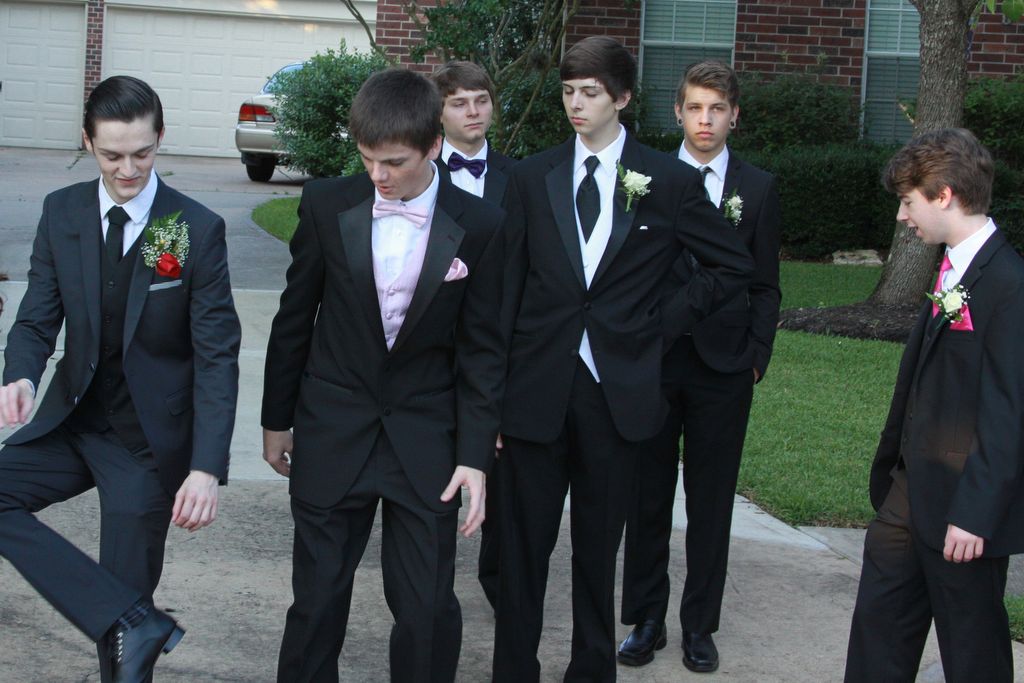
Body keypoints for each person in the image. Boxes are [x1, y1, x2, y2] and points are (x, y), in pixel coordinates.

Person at [492, 37, 754, 682]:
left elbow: (731, 264)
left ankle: (590, 669)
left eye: (590, 92)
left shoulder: (667, 180)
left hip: (617, 393)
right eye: (567, 92)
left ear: (624, 98)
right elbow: (505, 292)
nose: (575, 104)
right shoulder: (531, 176)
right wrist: (491, 396)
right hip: (536, 388)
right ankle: (514, 670)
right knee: (522, 551)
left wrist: (659, 323)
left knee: (597, 549)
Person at [261, 67, 505, 683]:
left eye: (393, 162)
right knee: (316, 605)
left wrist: (474, 455)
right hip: (332, 428)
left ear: (433, 147)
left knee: (427, 611)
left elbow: (482, 350)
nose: (377, 175)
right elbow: (295, 317)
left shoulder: (480, 224)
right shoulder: (326, 204)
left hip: (424, 439)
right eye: (367, 158)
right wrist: (275, 420)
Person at [0, 75, 241, 682]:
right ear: (87, 141)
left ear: (160, 138)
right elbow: (37, 317)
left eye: (142, 153)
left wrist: (206, 467)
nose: (128, 170)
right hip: (73, 421)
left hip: (145, 444)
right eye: (111, 155)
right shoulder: (63, 211)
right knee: (124, 615)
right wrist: (21, 376)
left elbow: (217, 356)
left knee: (124, 651)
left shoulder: (189, 228)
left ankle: (131, 622)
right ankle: (131, 616)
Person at [617, 60, 782, 673]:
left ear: (734, 115)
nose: (705, 120)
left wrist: (756, 358)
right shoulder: (644, 179)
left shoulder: (757, 188)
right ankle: (646, 618)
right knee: (647, 496)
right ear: (677, 113)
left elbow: (765, 283)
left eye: (717, 109)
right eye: (694, 108)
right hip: (655, 362)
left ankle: (699, 625)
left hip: (724, 365)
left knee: (711, 501)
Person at [845, 128, 1024, 683]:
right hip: (907, 492)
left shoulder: (1010, 284)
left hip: (962, 509)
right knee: (877, 634)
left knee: (972, 652)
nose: (903, 216)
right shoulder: (951, 267)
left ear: (943, 195)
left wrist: (975, 515)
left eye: (908, 201)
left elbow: (1010, 413)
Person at [431, 59, 514, 612]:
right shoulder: (415, 171)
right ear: (439, 112)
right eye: (459, 102)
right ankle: (431, 583)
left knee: (501, 474)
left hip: (497, 340)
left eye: (481, 100)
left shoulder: (520, 179)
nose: (473, 111)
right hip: (435, 347)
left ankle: (500, 582)